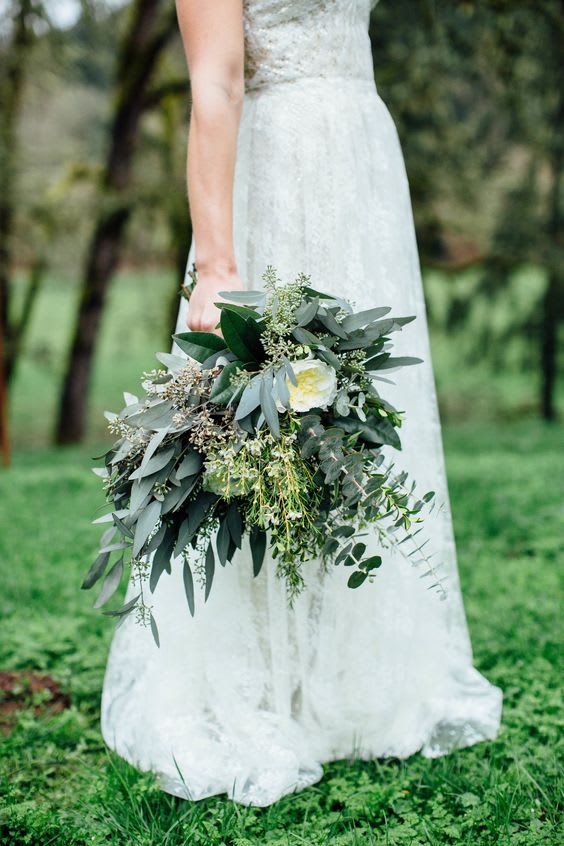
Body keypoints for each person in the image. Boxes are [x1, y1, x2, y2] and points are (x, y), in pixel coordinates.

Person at [101, 0, 502, 807]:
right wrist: (215, 261)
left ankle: (353, 675)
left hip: (360, 165)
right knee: (265, 423)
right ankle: (254, 680)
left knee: (351, 420)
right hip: (276, 170)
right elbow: (214, 81)